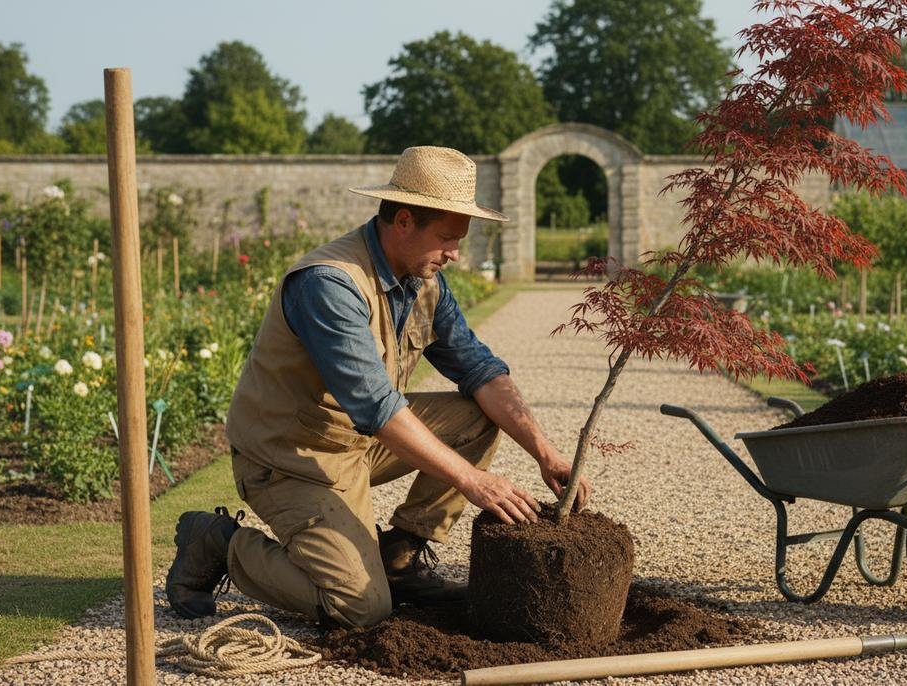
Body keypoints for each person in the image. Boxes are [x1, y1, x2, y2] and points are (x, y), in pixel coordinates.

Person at [165, 146, 590, 629]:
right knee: (360, 608)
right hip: (292, 459)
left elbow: (479, 370)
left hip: (357, 443)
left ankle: (400, 558)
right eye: (448, 238)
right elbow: (378, 408)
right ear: (404, 221)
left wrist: (546, 453)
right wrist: (472, 481)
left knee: (478, 417)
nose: (455, 253)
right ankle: (220, 542)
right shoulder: (330, 284)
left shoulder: (422, 278)